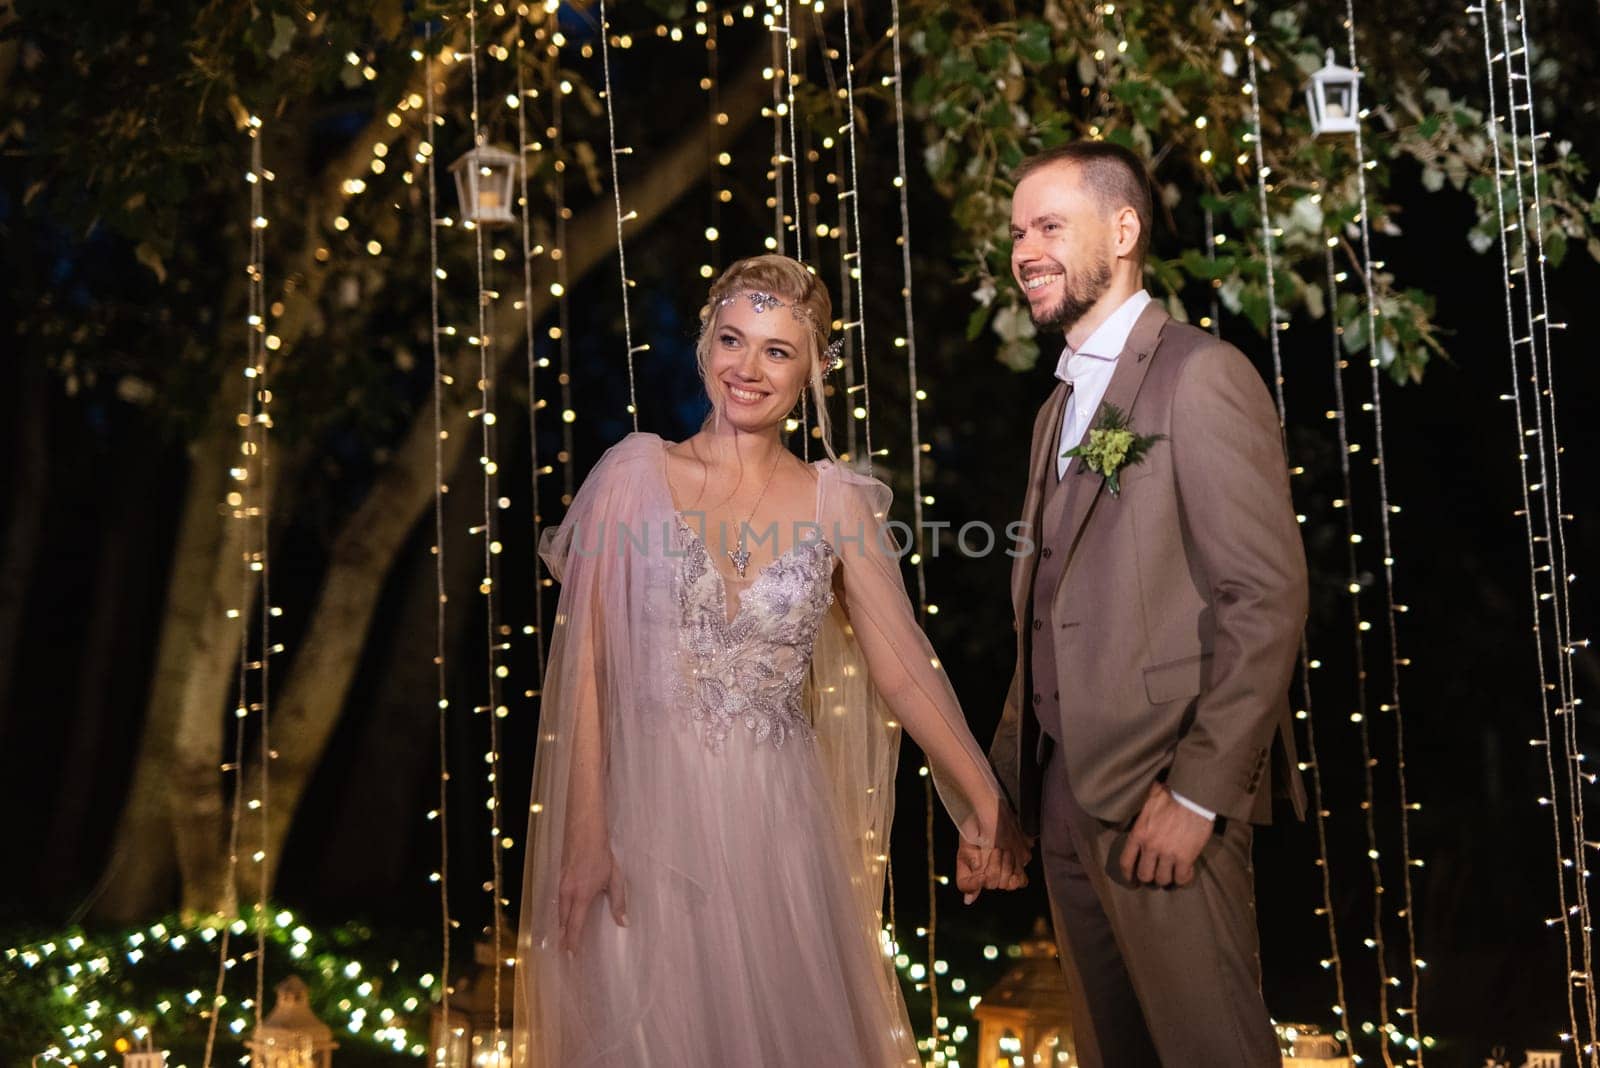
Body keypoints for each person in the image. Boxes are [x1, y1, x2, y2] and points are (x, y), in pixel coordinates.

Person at [514, 253, 1030, 1066]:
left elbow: (902, 665)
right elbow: (585, 668)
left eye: (776, 351)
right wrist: (585, 835)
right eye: (732, 340)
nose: (746, 369)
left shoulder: (837, 501)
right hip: (642, 821)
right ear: (703, 347)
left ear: (816, 368)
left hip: (780, 831)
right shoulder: (635, 474)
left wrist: (983, 798)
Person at [957, 142, 1310, 1067]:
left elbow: (1266, 599)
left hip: (1163, 794)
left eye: (1048, 226)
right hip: (1067, 803)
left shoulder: (1199, 375)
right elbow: (1046, 622)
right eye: (1016, 233)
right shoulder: (1060, 406)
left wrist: (1197, 793)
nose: (1024, 250)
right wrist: (1006, 798)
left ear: (1122, 231)